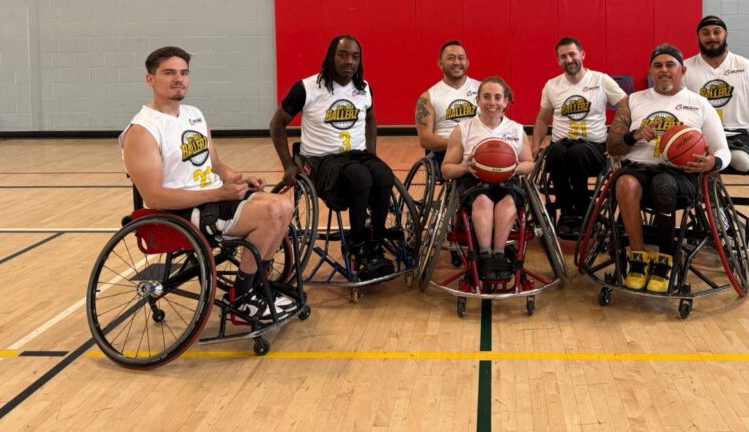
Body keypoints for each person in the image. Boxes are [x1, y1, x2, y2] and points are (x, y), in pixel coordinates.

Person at [121, 46, 295, 322]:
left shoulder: (194, 114)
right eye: (169, 73)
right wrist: (217, 193)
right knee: (271, 212)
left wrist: (238, 178)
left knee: (285, 205)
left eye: (184, 73)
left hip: (212, 200)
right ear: (150, 80)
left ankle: (254, 286)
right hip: (180, 213)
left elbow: (215, 165)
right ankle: (243, 295)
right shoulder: (143, 130)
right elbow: (154, 197)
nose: (179, 79)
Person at [606, 44, 730, 294]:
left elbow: (722, 151)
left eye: (670, 65)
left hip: (680, 175)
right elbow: (611, 146)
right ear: (651, 70)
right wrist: (633, 136)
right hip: (639, 170)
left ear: (682, 70)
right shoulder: (632, 101)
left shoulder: (699, 104)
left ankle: (666, 259)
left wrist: (712, 163)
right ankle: (638, 258)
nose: (664, 70)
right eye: (658, 65)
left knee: (664, 182)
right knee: (624, 183)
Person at [269, 34, 394, 280]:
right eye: (343, 55)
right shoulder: (306, 88)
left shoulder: (364, 88)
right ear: (330, 56)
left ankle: (375, 242)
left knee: (383, 174)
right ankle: (358, 249)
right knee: (360, 178)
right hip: (320, 160)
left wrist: (372, 154)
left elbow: (370, 119)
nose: (350, 61)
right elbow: (277, 124)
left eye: (355, 57)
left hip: (355, 155)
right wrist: (288, 164)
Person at [441, 77, 534, 282]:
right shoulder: (463, 129)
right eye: (486, 97)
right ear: (478, 100)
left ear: (505, 102)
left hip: (507, 180)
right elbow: (446, 169)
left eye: (498, 97)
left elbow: (529, 163)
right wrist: (464, 166)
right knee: (483, 201)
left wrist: (514, 168)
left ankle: (499, 254)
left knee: (508, 201)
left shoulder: (517, 130)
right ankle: (484, 254)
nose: (492, 102)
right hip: (474, 181)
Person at [531, 37, 626, 238]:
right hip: (561, 145)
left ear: (582, 55)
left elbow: (627, 106)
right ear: (558, 61)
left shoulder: (600, 80)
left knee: (577, 152)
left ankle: (583, 213)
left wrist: (617, 134)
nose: (569, 59)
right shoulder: (552, 85)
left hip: (592, 147)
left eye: (572, 54)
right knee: (555, 151)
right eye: (563, 56)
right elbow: (542, 120)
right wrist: (534, 146)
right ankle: (566, 214)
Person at [683, 15, 749, 174]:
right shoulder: (685, 68)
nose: (711, 37)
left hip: (736, 134)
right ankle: (710, 190)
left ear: (726, 35)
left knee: (742, 162)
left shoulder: (746, 67)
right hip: (698, 134)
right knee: (686, 162)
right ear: (698, 37)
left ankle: (714, 180)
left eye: (716, 32)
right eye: (705, 33)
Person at [415, 41, 480, 170]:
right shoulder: (428, 97)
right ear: (440, 64)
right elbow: (425, 139)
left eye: (461, 58)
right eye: (451, 58)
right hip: (448, 153)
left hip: (482, 148)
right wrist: (459, 144)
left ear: (467, 62)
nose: (457, 62)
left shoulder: (483, 89)